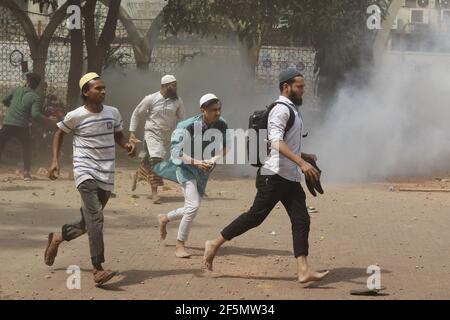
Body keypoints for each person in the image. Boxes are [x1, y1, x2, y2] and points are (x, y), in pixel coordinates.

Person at [203, 68, 330, 284]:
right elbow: (274, 141)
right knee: (255, 217)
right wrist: (301, 162)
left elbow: (286, 144)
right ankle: (214, 243)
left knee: (301, 219)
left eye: (303, 87)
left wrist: (304, 156)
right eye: (299, 87)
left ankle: (303, 270)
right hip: (273, 174)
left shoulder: (293, 110)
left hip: (288, 176)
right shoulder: (281, 110)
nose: (303, 91)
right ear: (286, 87)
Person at [43, 72, 138, 286]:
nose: (103, 91)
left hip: (107, 174)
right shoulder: (76, 115)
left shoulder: (113, 113)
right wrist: (55, 161)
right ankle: (98, 268)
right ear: (86, 92)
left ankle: (58, 238)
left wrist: (127, 147)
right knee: (96, 219)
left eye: (104, 88)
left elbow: (118, 136)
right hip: (85, 171)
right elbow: (59, 134)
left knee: (88, 223)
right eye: (98, 88)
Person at [155, 93, 229, 258]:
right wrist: (196, 162)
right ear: (203, 110)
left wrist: (213, 159)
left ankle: (165, 218)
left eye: (219, 109)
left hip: (203, 171)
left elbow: (226, 147)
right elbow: (175, 152)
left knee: (191, 208)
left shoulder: (222, 124)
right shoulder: (186, 126)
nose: (217, 113)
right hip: (185, 168)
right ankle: (179, 245)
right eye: (213, 110)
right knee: (193, 206)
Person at [128, 75, 185, 204]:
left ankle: (139, 173)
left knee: (150, 161)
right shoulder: (151, 99)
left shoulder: (177, 101)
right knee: (157, 161)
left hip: (167, 136)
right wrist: (132, 133)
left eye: (176, 85)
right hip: (151, 134)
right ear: (165, 86)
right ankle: (155, 193)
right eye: (173, 85)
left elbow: (182, 119)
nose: (176, 88)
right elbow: (136, 114)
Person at [0, 72, 56, 181]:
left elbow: (4, 100)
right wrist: (48, 121)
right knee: (27, 147)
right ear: (37, 85)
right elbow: (35, 114)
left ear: (28, 82)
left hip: (8, 123)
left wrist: (13, 108)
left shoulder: (17, 90)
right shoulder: (35, 97)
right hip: (22, 125)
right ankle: (26, 173)